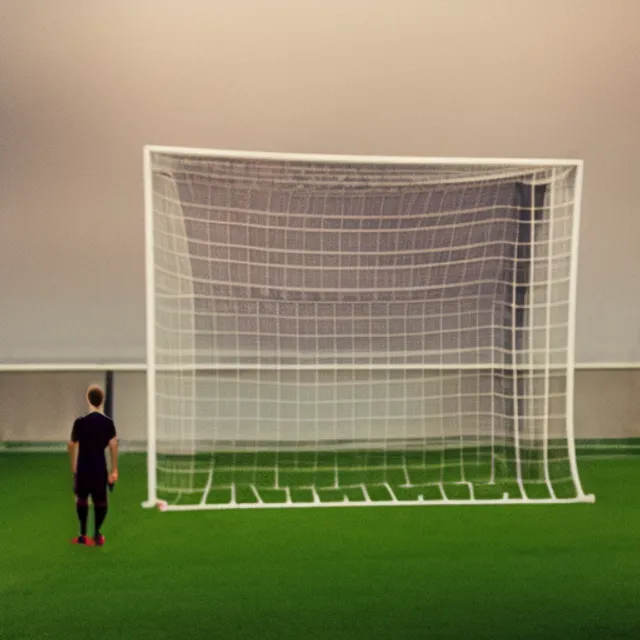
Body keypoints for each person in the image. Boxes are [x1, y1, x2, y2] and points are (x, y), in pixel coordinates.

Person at [68, 385, 118, 546]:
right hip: (99, 467)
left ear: (88, 399)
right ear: (102, 401)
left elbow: (71, 444)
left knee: (81, 499)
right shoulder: (108, 423)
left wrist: (73, 466)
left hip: (83, 466)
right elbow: (113, 445)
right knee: (100, 502)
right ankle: (97, 534)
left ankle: (82, 535)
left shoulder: (80, 422)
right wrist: (114, 469)